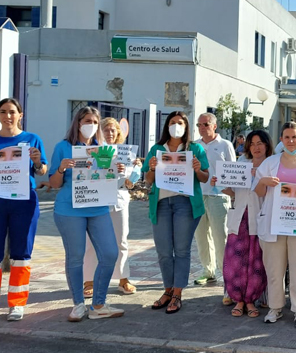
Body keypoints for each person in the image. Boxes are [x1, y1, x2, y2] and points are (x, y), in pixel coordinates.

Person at [0, 98, 46, 324]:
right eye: (3, 112)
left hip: (24, 203)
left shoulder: (32, 139)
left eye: (12, 112)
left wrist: (36, 161)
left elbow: (42, 170)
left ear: (20, 115)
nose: (8, 116)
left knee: (21, 253)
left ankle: (17, 304)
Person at [49, 106, 124, 322]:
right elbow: (54, 183)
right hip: (69, 209)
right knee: (75, 256)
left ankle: (98, 304)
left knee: (109, 253)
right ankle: (78, 304)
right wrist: (62, 169)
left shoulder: (105, 149)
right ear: (78, 123)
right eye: (86, 120)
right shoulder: (63, 147)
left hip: (98, 208)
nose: (90, 125)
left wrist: (116, 171)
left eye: (94, 121)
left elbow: (111, 181)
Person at [255, 122, 296, 328]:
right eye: (287, 137)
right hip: (274, 224)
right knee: (274, 269)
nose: (291, 141)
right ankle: (275, 307)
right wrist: (263, 182)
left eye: (294, 137)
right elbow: (258, 192)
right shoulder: (269, 163)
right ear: (281, 140)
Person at [142, 111, 210, 315]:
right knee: (164, 251)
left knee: (181, 250)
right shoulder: (156, 149)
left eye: (180, 122)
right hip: (161, 204)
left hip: (185, 204)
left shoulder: (195, 148)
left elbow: (205, 177)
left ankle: (178, 293)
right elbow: (148, 179)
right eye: (172, 122)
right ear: (167, 125)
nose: (176, 125)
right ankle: (167, 290)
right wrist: (152, 168)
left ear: (186, 126)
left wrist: (198, 169)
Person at [82, 117, 141, 298]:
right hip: (96, 200)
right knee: (91, 241)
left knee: (121, 240)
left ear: (118, 133)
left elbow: (131, 181)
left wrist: (134, 171)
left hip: (119, 199)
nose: (109, 133)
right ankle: (89, 281)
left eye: (113, 130)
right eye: (106, 130)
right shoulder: (90, 151)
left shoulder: (126, 153)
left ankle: (123, 279)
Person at [218, 130, 271, 318]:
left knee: (256, 262)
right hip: (240, 219)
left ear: (267, 145)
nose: (256, 147)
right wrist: (222, 184)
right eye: (252, 143)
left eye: (260, 143)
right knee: (235, 261)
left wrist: (260, 178)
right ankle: (238, 298)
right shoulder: (241, 164)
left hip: (260, 219)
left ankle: (250, 300)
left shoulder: (272, 166)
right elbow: (234, 193)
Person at [193, 113, 236, 296]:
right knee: (201, 236)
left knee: (221, 237)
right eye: (199, 124)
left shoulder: (225, 145)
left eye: (205, 124)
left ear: (214, 125)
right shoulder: (194, 145)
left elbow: (233, 170)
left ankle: (225, 272)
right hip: (198, 196)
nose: (202, 127)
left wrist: (228, 188)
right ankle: (208, 271)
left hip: (219, 196)